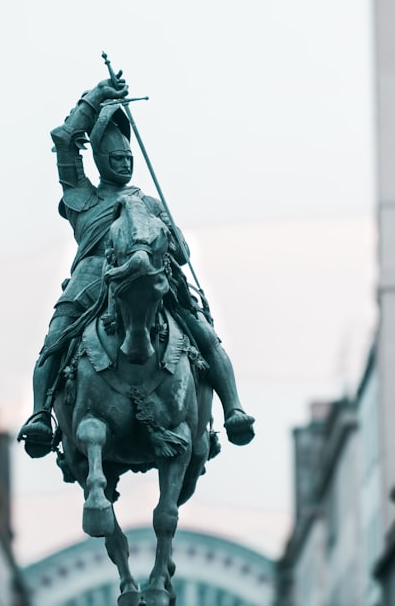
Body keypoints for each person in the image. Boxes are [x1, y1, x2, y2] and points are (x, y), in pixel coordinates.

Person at [18, 76, 255, 458]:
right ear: (100, 161)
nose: (125, 163)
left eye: (129, 158)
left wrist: (174, 240)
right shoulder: (83, 196)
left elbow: (181, 253)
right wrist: (93, 100)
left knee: (203, 333)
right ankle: (41, 416)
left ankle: (233, 410)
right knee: (55, 340)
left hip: (154, 275)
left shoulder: (150, 203)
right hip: (93, 276)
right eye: (116, 159)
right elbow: (64, 139)